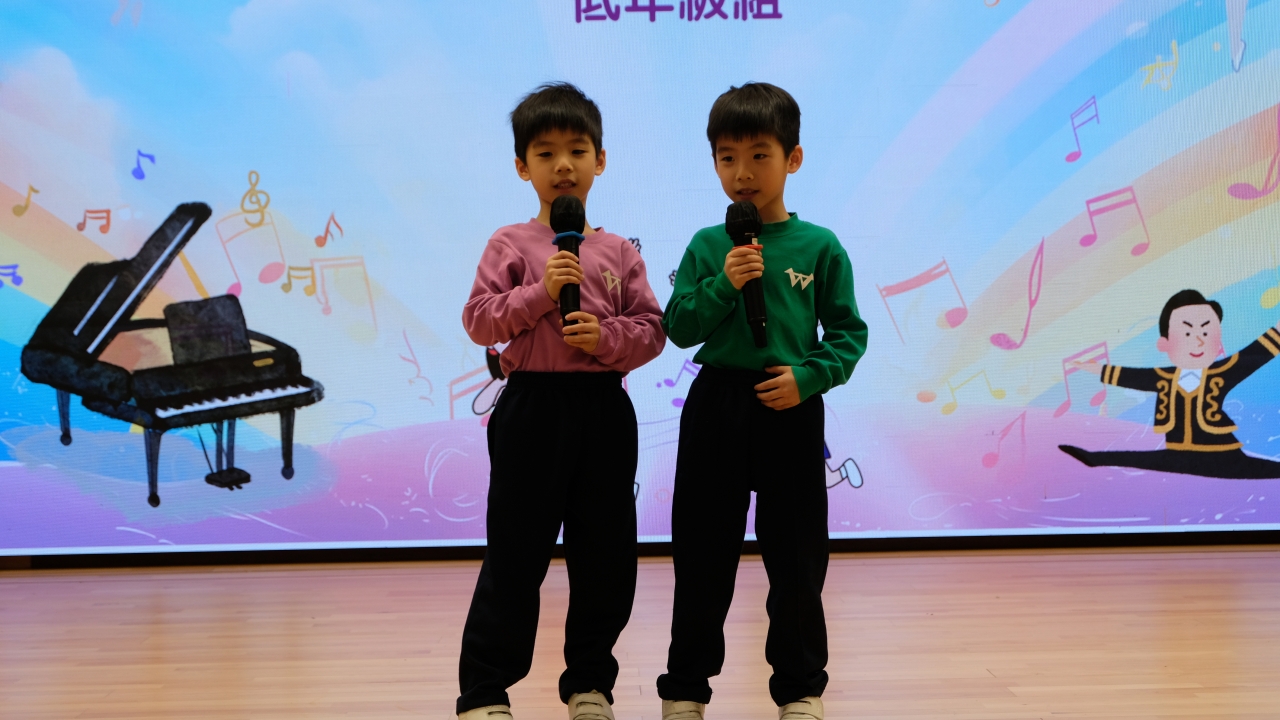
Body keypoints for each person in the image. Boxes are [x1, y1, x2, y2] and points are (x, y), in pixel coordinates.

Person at [656, 83, 868, 720]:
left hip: (790, 405)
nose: (742, 173)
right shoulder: (706, 244)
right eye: (727, 158)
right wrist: (724, 283)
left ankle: (800, 690)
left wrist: (810, 377)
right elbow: (678, 326)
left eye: (758, 156)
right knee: (702, 554)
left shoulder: (820, 246)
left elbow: (849, 334)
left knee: (797, 558)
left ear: (792, 159)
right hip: (717, 405)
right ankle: (685, 690)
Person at [457, 82, 665, 720]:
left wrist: (605, 339)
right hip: (532, 408)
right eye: (545, 153)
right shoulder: (510, 243)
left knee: (605, 554)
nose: (563, 165)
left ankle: (590, 684)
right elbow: (479, 321)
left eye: (577, 150)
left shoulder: (620, 250)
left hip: (603, 408)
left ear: (600, 160)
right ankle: (485, 691)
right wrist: (541, 293)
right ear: (523, 167)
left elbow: (652, 330)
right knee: (516, 551)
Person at [1060, 289, 1280, 479]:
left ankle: (1095, 459)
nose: (1198, 341)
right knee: (1137, 459)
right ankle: (1094, 459)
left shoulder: (1223, 371)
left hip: (1222, 455)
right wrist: (1099, 370)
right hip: (1178, 455)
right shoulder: (1165, 377)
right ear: (1164, 344)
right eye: (1187, 333)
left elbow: (1255, 354)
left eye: (1206, 332)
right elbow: (1132, 376)